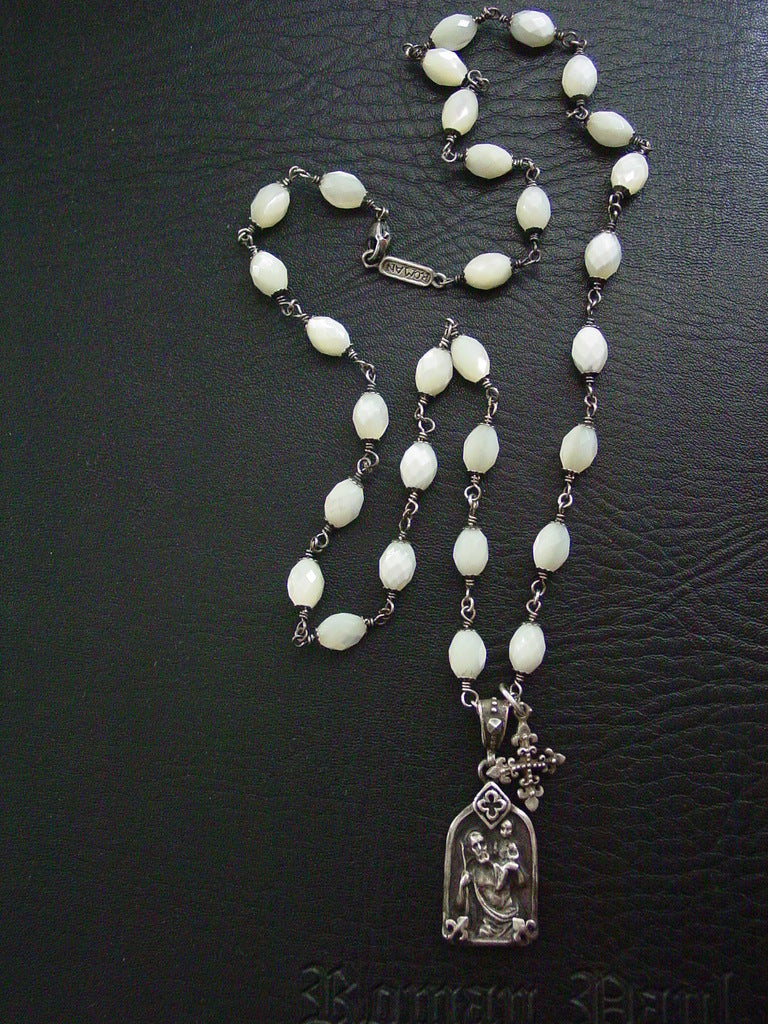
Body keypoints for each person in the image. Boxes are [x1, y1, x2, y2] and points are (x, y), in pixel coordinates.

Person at [457, 829, 525, 940]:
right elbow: (459, 905)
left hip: (511, 919)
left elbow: (521, 883)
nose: (480, 848)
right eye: (475, 846)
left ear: (487, 844)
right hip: (488, 924)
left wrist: (516, 869)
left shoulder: (498, 866)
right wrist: (461, 886)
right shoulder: (472, 873)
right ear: (470, 850)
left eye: (482, 843)